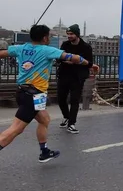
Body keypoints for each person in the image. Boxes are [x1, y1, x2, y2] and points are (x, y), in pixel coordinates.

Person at [0, 25, 98, 163]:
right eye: (49, 36)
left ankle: (44, 152)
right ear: (45, 38)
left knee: (44, 119)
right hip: (33, 95)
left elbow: (2, 53)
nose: (50, 38)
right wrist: (89, 64)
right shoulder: (48, 50)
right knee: (15, 129)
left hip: (24, 92)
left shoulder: (21, 48)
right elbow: (73, 57)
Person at [57, 24, 94, 134]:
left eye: (71, 34)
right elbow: (59, 58)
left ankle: (71, 123)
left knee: (74, 100)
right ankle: (66, 116)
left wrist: (77, 61)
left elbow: (89, 63)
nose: (69, 36)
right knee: (61, 99)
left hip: (78, 77)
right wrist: (66, 60)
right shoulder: (65, 44)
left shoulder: (86, 47)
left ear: (77, 34)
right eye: (68, 34)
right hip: (64, 75)